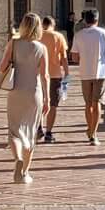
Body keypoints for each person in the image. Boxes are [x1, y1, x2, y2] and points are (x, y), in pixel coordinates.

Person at [0, 13, 49, 184]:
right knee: (31, 132)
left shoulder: (14, 43)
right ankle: (25, 172)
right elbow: (45, 76)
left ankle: (17, 158)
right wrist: (48, 99)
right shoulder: (41, 48)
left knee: (14, 131)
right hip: (34, 94)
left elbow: (3, 66)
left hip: (16, 92)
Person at [70, 6, 105, 145]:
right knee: (97, 104)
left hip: (85, 73)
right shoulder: (103, 33)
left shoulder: (79, 35)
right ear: (97, 19)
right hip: (101, 72)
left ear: (85, 20)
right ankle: (93, 134)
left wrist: (83, 58)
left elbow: (74, 57)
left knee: (88, 104)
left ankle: (90, 128)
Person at [39, 14, 68, 143]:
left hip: (38, 74)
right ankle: (49, 132)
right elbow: (64, 57)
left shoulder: (37, 36)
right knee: (53, 104)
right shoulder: (59, 36)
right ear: (53, 25)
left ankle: (39, 128)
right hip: (55, 74)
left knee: (39, 103)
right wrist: (67, 73)